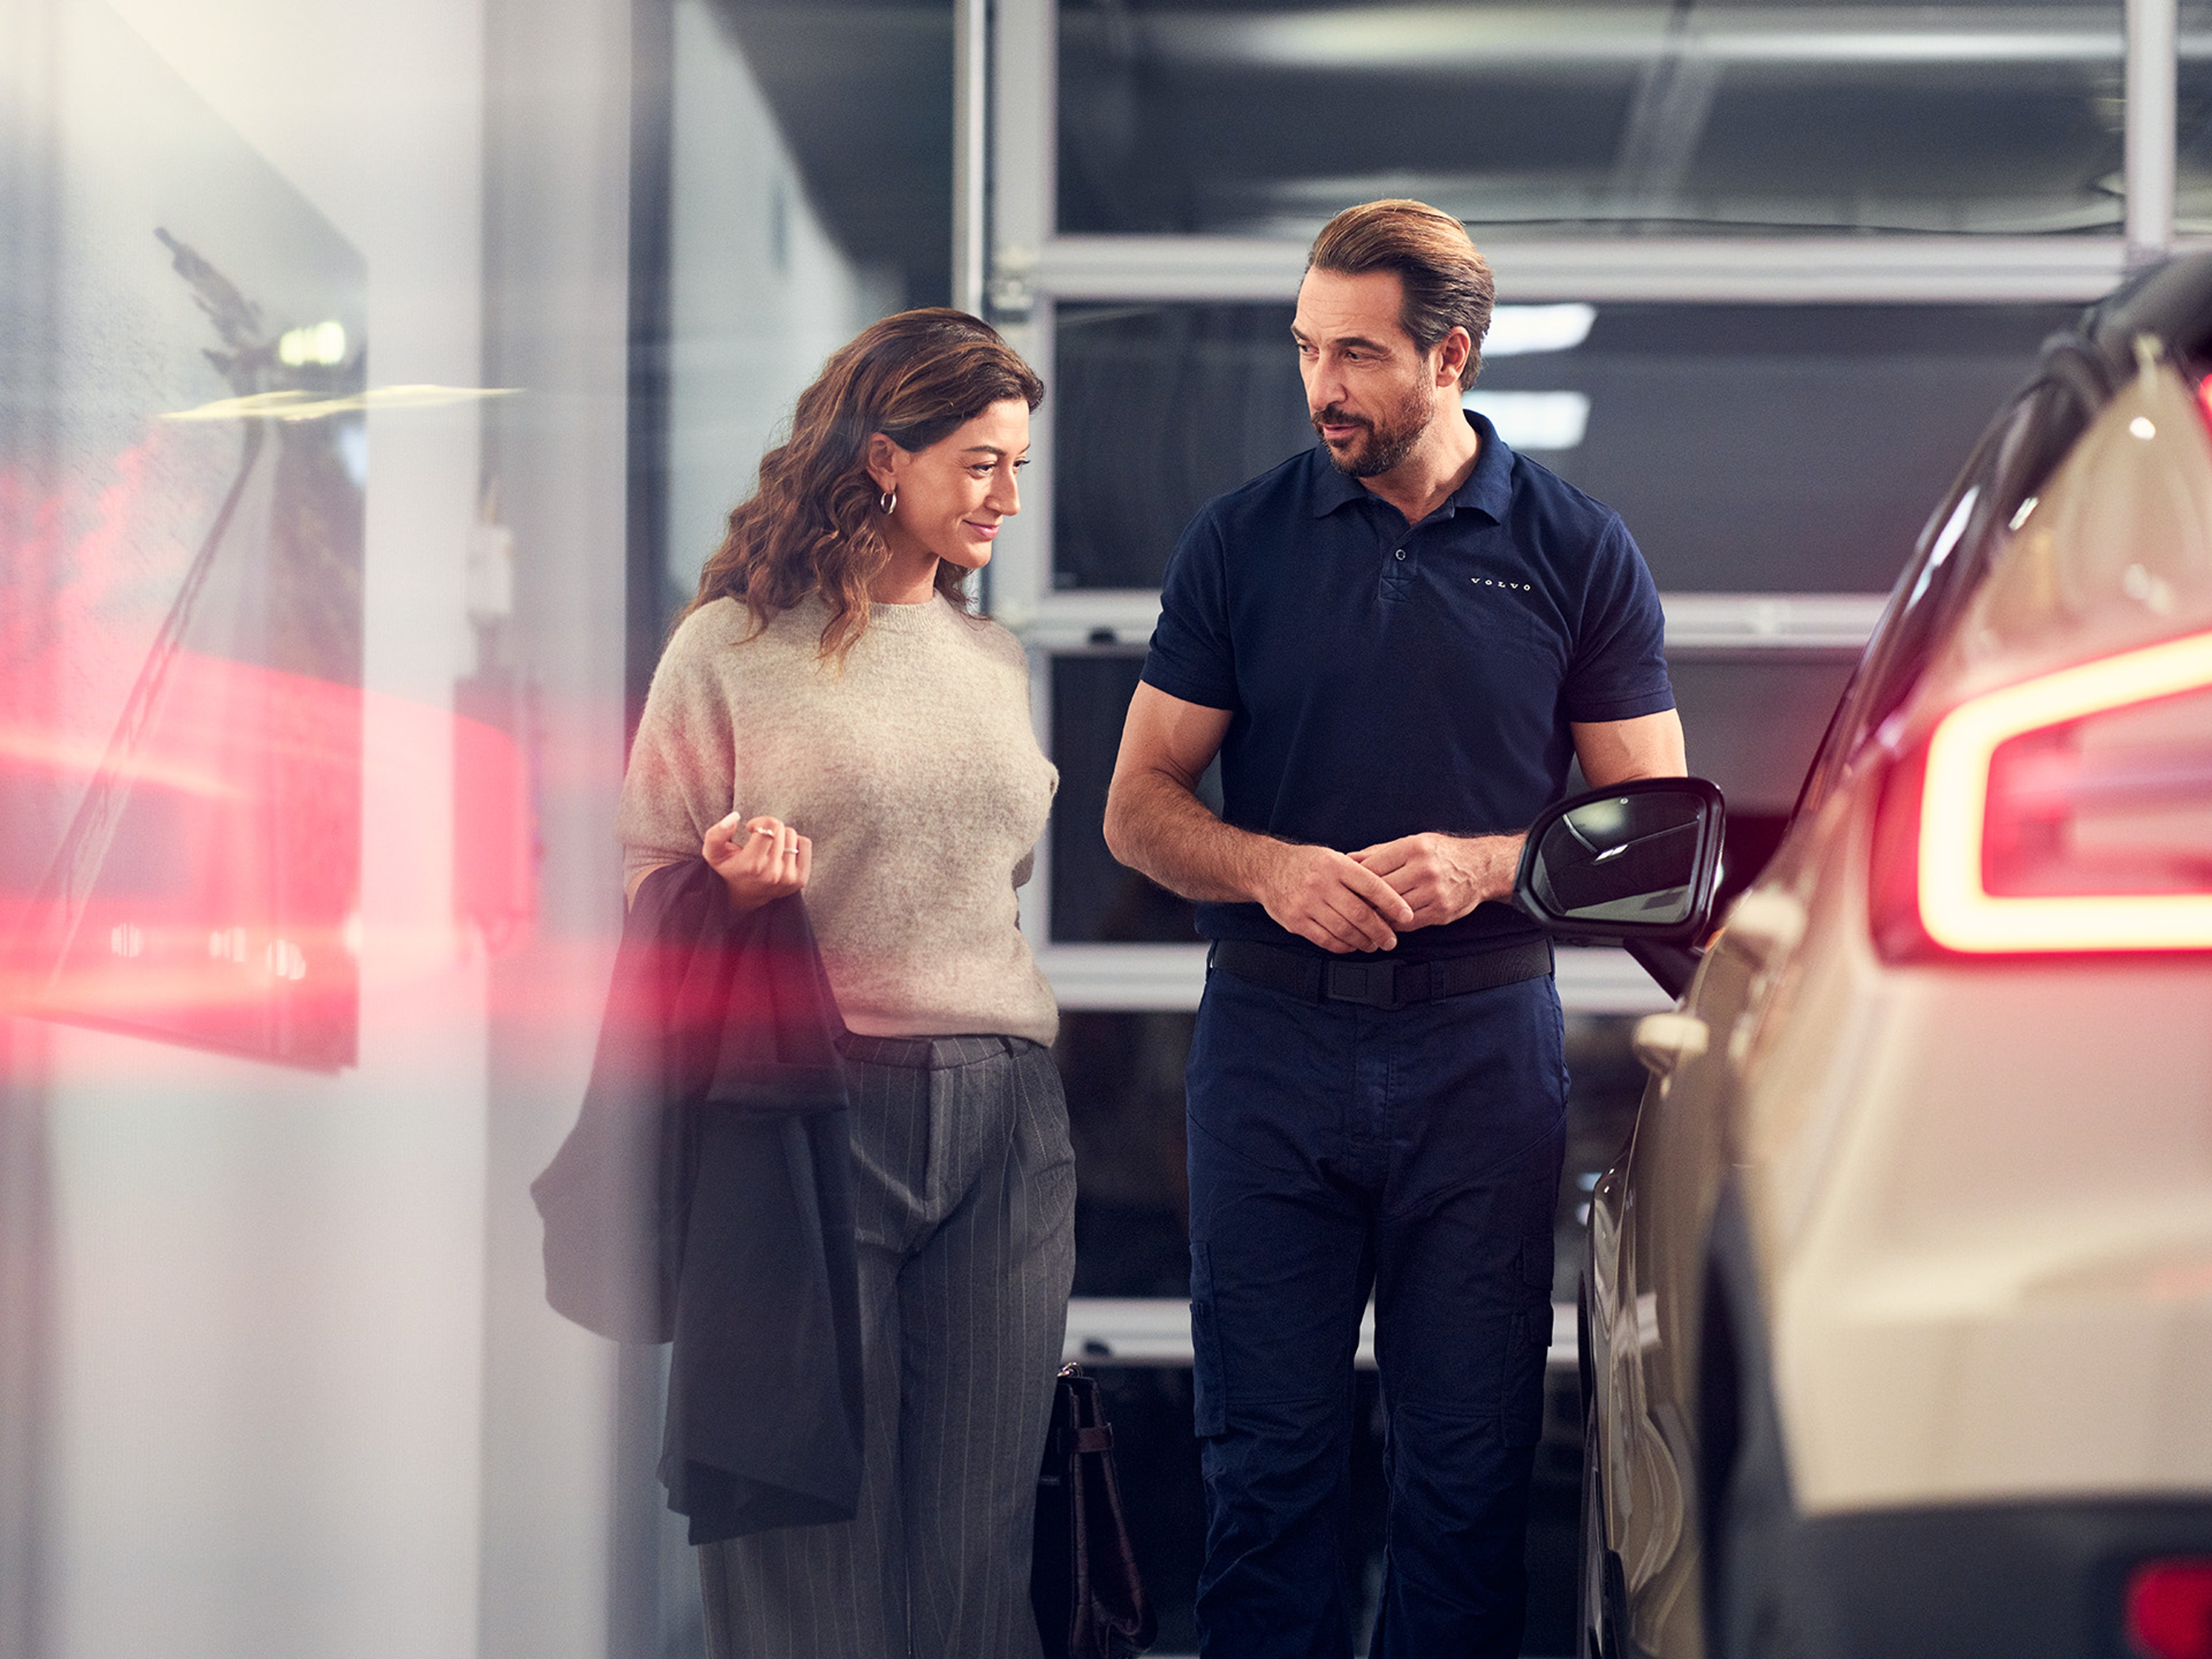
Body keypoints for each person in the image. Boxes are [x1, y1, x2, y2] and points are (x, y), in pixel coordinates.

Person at [1103, 200, 1686, 1658]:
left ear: (1452, 358)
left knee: (1466, 1490)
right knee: (1270, 1483)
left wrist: (1497, 862)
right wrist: (1269, 869)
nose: (1322, 389)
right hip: (1272, 1050)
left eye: (1356, 355)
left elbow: (1659, 840)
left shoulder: (1576, 550)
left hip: (1483, 1057)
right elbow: (1138, 808)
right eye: (1307, 350)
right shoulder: (1241, 542)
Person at [616, 308, 1075, 1659]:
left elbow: (992, 878)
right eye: (979, 463)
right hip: (808, 1115)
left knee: (976, 1561)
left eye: (1020, 468)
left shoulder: (993, 662)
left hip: (1007, 1120)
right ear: (886, 458)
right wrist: (730, 886)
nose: (1005, 496)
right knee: (801, 1548)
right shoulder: (731, 647)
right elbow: (646, 874)